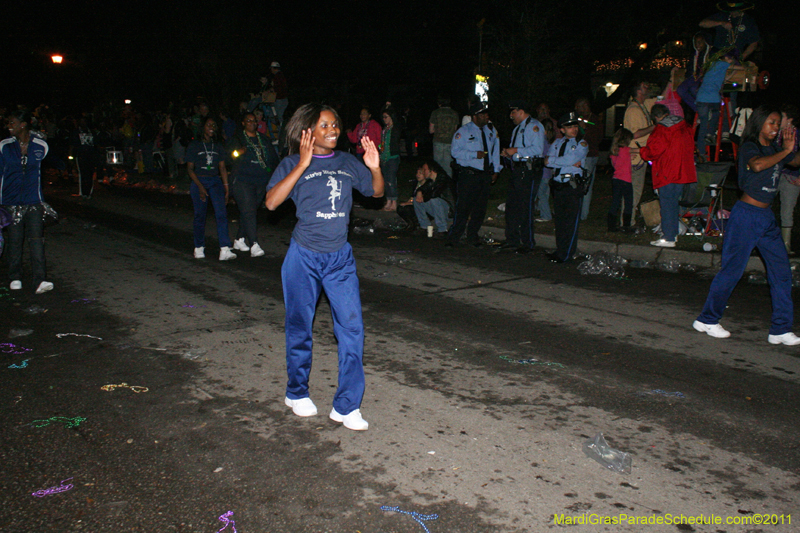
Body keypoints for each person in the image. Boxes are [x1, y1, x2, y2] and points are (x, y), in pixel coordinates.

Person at [265, 103, 384, 431]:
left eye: (335, 124)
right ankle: (296, 391)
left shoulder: (347, 162)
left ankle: (346, 406)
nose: (332, 130)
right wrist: (302, 163)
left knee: (352, 329)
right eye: (324, 125)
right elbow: (272, 202)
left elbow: (376, 191)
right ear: (308, 132)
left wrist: (374, 168)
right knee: (299, 326)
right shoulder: (292, 164)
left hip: (339, 258)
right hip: (303, 257)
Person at [694, 105, 800, 344]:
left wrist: (790, 148)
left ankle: (780, 330)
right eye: (772, 123)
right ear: (760, 123)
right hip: (746, 216)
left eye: (777, 123)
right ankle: (707, 319)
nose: (775, 128)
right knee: (732, 271)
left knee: (782, 272)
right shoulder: (750, 146)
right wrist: (785, 151)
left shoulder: (776, 148)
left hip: (766, 219)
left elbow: (794, 160)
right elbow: (758, 165)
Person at [0, 110, 54, 294]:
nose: (9, 126)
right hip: (11, 201)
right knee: (15, 240)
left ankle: (40, 279)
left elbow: (46, 164)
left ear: (23, 124)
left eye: (12, 122)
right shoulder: (4, 146)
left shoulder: (40, 145)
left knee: (36, 239)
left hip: (33, 200)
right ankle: (15, 277)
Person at [639, 104, 698, 247]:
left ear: (656, 117)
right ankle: (672, 234)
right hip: (682, 172)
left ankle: (669, 237)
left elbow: (653, 151)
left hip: (667, 172)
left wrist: (643, 151)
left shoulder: (661, 129)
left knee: (666, 204)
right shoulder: (685, 127)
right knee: (673, 204)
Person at [448, 102, 500, 247]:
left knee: (480, 208)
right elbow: (455, 152)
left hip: (484, 175)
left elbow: (495, 151)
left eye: (487, 114)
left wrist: (496, 170)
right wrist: (473, 154)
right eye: (483, 114)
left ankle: (472, 236)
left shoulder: (490, 130)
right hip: (469, 175)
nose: (486, 117)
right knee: (463, 207)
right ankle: (454, 236)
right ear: (475, 116)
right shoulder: (463, 132)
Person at [228, 112, 279, 258]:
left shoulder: (263, 139)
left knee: (249, 211)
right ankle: (254, 244)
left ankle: (239, 239)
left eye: (254, 121)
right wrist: (239, 152)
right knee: (249, 211)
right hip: (243, 181)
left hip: (261, 180)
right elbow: (228, 157)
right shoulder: (237, 138)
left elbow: (273, 160)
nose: (252, 123)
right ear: (243, 123)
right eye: (248, 120)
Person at [186, 116, 236, 261]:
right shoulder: (195, 145)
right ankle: (199, 247)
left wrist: (226, 187)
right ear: (203, 128)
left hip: (215, 181)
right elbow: (190, 169)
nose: (212, 127)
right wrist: (200, 187)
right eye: (209, 125)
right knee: (200, 216)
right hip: (199, 179)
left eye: (214, 125)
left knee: (221, 214)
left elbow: (222, 167)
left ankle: (225, 249)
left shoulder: (218, 146)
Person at [498, 100, 545, 254]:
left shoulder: (534, 126)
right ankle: (512, 239)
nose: (511, 115)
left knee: (526, 207)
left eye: (513, 112)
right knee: (512, 206)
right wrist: (509, 154)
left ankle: (528, 242)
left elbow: (538, 149)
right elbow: (518, 152)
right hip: (517, 170)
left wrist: (516, 150)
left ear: (521, 111)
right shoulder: (518, 129)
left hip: (529, 170)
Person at [546, 113, 589, 263]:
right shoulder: (557, 143)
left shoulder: (581, 144)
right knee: (560, 221)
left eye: (575, 126)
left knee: (570, 222)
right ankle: (560, 250)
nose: (574, 129)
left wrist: (559, 161)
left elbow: (570, 159)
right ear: (562, 129)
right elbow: (547, 162)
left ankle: (566, 254)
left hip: (572, 186)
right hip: (558, 186)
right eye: (569, 126)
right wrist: (564, 162)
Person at [695, 52, 736, 161]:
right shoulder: (724, 64)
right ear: (727, 58)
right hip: (713, 97)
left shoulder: (712, 64)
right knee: (716, 114)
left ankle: (701, 152)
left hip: (701, 97)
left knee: (703, 124)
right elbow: (735, 69)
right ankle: (710, 134)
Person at [398, 161, 451, 236]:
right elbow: (423, 188)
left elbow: (434, 194)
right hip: (437, 209)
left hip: (449, 211)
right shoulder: (430, 180)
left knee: (433, 200)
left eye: (424, 169)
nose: (423, 171)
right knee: (417, 199)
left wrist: (423, 197)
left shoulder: (443, 179)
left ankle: (442, 229)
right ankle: (424, 226)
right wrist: (419, 192)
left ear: (431, 170)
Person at [777, 104, 800, 254]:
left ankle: (786, 245)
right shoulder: (773, 133)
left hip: (792, 177)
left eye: (782, 117)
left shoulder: (798, 134)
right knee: (762, 207)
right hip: (774, 174)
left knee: (787, 211)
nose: (778, 120)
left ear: (790, 119)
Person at [575, 98, 603, 221]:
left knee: (586, 184)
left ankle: (583, 214)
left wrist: (585, 129)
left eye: (585, 104)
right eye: (580, 105)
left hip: (589, 156)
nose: (583, 107)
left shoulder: (594, 120)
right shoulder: (575, 119)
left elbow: (597, 138)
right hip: (576, 156)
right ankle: (575, 210)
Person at [608, 128, 634, 232]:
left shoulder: (614, 151)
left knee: (615, 202)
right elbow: (639, 150)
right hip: (626, 180)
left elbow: (616, 164)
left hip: (616, 179)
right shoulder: (627, 150)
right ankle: (626, 226)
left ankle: (611, 226)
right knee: (628, 203)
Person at [429, 97, 460, 176]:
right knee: (448, 168)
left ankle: (438, 186)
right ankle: (448, 186)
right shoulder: (454, 113)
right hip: (450, 142)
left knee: (437, 168)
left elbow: (431, 130)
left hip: (438, 142)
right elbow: (455, 130)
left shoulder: (435, 113)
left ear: (439, 103)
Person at [379, 107, 401, 211]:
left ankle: (394, 202)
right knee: (386, 180)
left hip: (392, 158)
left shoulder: (395, 128)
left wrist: (389, 106)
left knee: (391, 180)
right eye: (383, 117)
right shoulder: (384, 129)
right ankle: (388, 201)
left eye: (386, 117)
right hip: (384, 158)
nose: (384, 119)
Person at [69, 116, 97, 198]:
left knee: (90, 173)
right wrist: (71, 156)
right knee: (83, 173)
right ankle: (83, 192)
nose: (83, 123)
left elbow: (95, 144)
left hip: (91, 155)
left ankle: (89, 192)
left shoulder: (92, 132)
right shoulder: (76, 132)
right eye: (81, 121)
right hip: (81, 155)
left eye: (84, 121)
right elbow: (72, 145)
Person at [270, 62, 289, 126]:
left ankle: (281, 129)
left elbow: (277, 88)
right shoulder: (282, 75)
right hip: (284, 98)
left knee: (275, 115)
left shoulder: (277, 77)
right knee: (279, 115)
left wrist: (272, 88)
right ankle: (280, 128)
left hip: (279, 99)